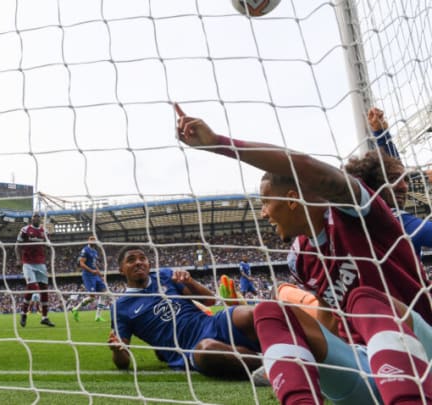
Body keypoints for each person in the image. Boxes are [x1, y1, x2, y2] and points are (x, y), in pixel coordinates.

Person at [175, 104, 432, 404]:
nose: (263, 213)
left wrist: (219, 143)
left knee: (363, 301)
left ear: (292, 200)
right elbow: (327, 318)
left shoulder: (357, 213)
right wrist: (297, 356)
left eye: (265, 202)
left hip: (421, 354)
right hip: (365, 368)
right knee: (269, 313)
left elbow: (304, 165)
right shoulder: (299, 257)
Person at [108, 246, 261, 379]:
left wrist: (189, 282)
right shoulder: (120, 307)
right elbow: (123, 361)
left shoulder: (165, 276)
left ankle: (279, 347)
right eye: (131, 260)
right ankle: (270, 363)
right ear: (121, 269)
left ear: (149, 264)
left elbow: (209, 301)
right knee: (207, 350)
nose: (138, 262)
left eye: (143, 258)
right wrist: (117, 351)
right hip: (189, 349)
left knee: (249, 314)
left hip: (212, 323)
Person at [16, 212, 55, 327]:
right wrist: (18, 260)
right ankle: (23, 313)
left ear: (40, 219)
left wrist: (48, 260)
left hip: (40, 264)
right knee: (33, 287)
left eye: (38, 216)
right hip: (28, 263)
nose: (36, 218)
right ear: (31, 219)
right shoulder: (25, 230)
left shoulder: (44, 232)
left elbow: (47, 247)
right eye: (34, 216)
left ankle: (45, 317)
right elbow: (17, 245)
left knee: (44, 290)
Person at [71, 235, 108, 322]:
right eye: (91, 239)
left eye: (94, 240)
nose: (92, 241)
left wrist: (101, 275)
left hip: (95, 275)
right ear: (88, 241)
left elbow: (95, 264)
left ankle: (98, 316)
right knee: (92, 297)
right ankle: (76, 308)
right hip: (88, 275)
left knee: (104, 293)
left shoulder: (95, 251)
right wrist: (92, 271)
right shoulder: (85, 250)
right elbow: (82, 264)